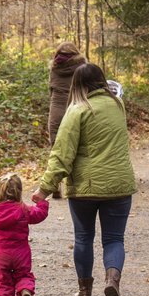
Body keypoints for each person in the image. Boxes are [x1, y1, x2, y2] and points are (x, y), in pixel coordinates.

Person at [31, 63, 136, 296]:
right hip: (119, 185)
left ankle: (85, 293)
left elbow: (62, 155)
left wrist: (44, 189)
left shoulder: (77, 110)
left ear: (77, 85)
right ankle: (112, 280)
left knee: (84, 237)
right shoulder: (118, 106)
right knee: (114, 239)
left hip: (86, 189)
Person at [0, 174, 49, 296]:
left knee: (2, 278)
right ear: (19, 191)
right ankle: (25, 290)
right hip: (21, 252)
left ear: (0, 191)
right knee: (23, 274)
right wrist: (42, 202)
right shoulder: (24, 209)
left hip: (0, 254)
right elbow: (39, 214)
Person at [46, 42, 87, 199]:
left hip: (56, 108)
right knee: (78, 145)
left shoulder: (54, 67)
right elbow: (87, 88)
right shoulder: (83, 66)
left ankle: (55, 185)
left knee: (55, 146)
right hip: (77, 105)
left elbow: (51, 89)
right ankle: (77, 183)